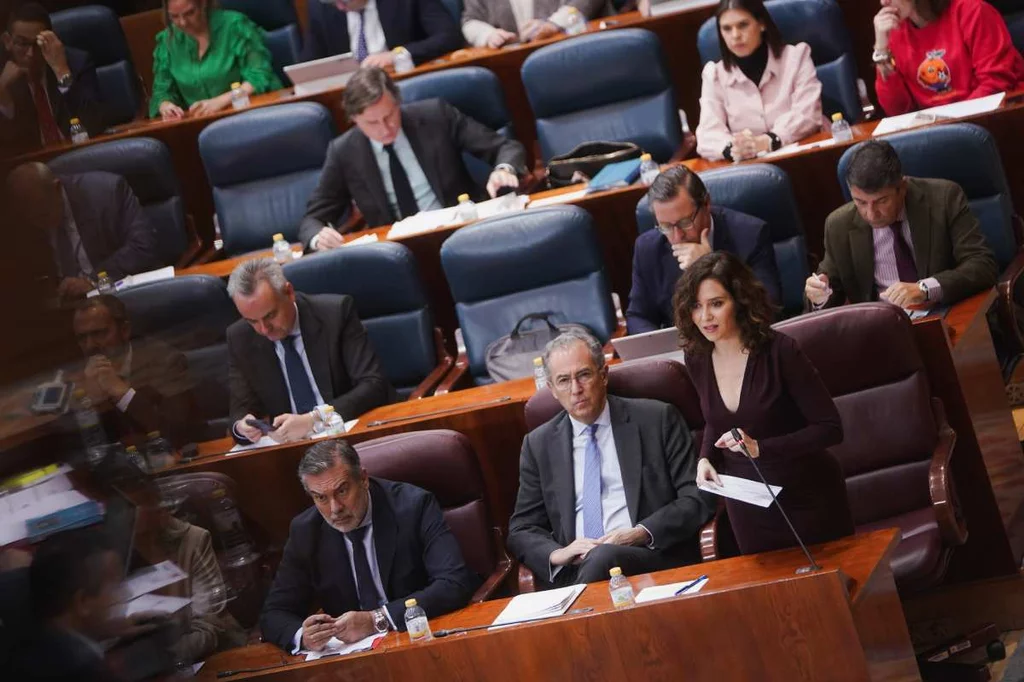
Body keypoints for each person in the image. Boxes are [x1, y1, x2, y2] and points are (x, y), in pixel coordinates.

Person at [679, 252, 855, 555]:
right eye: (696, 306)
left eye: (716, 304)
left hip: (806, 496)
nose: (705, 317)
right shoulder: (697, 357)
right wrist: (705, 458)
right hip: (748, 505)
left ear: (741, 302)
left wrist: (762, 449)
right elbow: (716, 418)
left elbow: (830, 429)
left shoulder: (781, 352)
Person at [507, 329, 713, 586]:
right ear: (551, 388)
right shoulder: (539, 444)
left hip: (650, 556)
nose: (576, 389)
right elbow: (521, 529)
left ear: (603, 375)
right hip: (577, 569)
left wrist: (640, 533)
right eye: (563, 380)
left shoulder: (656, 420)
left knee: (602, 557)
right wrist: (559, 553)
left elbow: (697, 496)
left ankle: (579, 620)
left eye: (583, 375)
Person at [260, 439, 479, 652]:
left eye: (342, 491)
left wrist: (377, 619)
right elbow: (274, 613)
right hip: (354, 660)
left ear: (363, 479)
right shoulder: (306, 531)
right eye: (321, 498)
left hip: (418, 639)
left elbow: (454, 583)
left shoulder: (414, 506)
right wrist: (304, 637)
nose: (335, 508)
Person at [298, 66, 527, 250]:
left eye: (389, 116)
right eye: (372, 123)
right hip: (399, 251)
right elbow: (312, 219)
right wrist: (318, 237)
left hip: (462, 233)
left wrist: (504, 169)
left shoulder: (436, 116)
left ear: (398, 103)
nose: (384, 128)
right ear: (354, 120)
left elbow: (505, 147)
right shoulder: (344, 151)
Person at [805, 139, 997, 310]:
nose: (871, 214)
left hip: (945, 312)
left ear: (902, 188)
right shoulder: (838, 225)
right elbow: (829, 288)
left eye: (882, 201)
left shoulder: (944, 198)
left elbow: (982, 265)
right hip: (883, 329)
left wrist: (925, 289)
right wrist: (819, 295)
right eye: (861, 202)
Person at [226, 258, 396, 444]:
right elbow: (240, 409)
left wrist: (314, 419)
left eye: (270, 315)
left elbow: (373, 384)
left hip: (351, 434)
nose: (264, 329)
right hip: (293, 448)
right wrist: (242, 427)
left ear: (289, 292)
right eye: (252, 321)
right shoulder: (239, 337)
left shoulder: (335, 314)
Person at [627, 166, 781, 334]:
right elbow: (638, 316)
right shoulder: (647, 248)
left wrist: (712, 267)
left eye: (685, 222)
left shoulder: (750, 235)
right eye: (665, 226)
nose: (677, 237)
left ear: (706, 203)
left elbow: (767, 309)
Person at [11, 528, 157, 682]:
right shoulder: (88, 673)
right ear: (82, 602)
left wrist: (101, 633)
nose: (126, 594)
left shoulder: (28, 634)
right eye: (116, 586)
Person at [5, 162, 162, 301]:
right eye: (31, 219)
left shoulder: (108, 191)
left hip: (116, 296)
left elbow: (143, 245)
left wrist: (93, 280)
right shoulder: (25, 222)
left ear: (57, 188)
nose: (39, 224)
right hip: (68, 309)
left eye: (43, 214)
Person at [695, 0, 824, 162]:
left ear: (761, 24)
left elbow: (808, 115)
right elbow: (707, 134)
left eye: (743, 25)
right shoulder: (714, 74)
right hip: (751, 166)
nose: (735, 35)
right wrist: (732, 149)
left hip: (807, 157)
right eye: (727, 28)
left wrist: (768, 140)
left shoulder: (796, 57)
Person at [73, 295, 198, 447]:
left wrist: (123, 395)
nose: (89, 345)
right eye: (82, 338)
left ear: (125, 330)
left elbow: (179, 434)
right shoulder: (80, 377)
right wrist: (88, 402)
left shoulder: (165, 361)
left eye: (99, 333)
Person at [872, 0, 1024, 115]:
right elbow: (897, 110)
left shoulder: (972, 11)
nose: (884, 2)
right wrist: (881, 49)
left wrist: (952, 121)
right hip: (942, 130)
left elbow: (995, 85)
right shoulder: (895, 32)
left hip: (998, 116)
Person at [149, 0, 282, 120]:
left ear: (203, 3)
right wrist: (165, 106)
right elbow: (162, 91)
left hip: (251, 115)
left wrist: (220, 101)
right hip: (200, 123)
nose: (183, 22)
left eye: (190, 13)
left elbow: (259, 77)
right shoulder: (168, 41)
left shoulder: (235, 26)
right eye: (174, 16)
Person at [0, 2, 104, 155]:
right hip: (31, 167)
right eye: (22, 44)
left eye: (38, 44)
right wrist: (1, 91)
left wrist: (62, 72)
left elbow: (93, 124)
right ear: (7, 41)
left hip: (78, 154)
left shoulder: (76, 63)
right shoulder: (3, 76)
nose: (30, 53)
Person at [302, 0, 462, 66]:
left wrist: (396, 55)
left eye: (344, 1)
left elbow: (448, 36)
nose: (340, 7)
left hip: (404, 80)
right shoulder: (321, 7)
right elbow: (308, 64)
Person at [461, 0, 610, 48]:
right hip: (516, 63)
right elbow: (469, 20)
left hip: (577, 45)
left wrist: (554, 24)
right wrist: (488, 34)